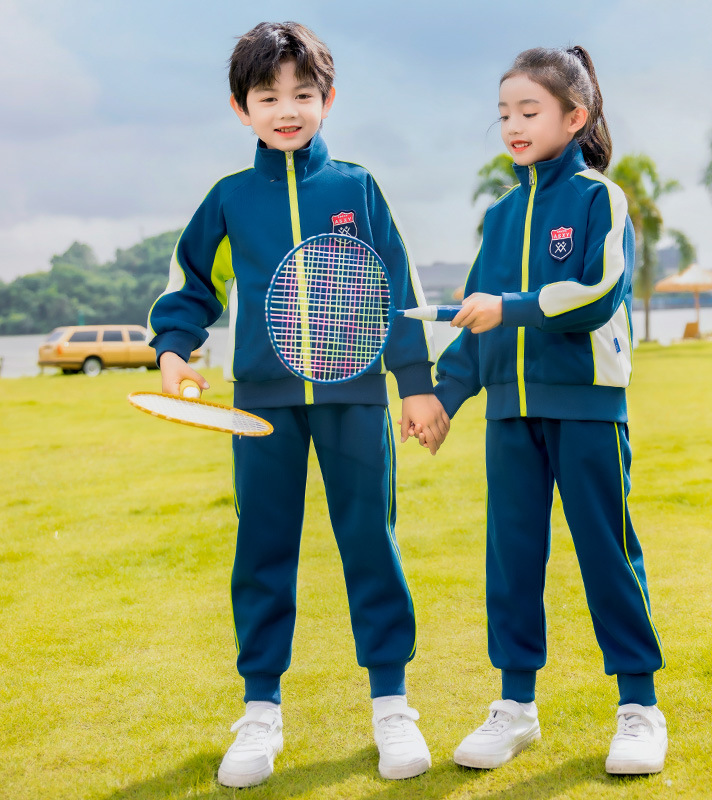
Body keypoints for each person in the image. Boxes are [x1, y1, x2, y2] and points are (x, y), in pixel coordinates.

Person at [148, 21, 449, 788]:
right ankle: (259, 713)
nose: (288, 109)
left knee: (370, 544)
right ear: (239, 108)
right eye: (268, 96)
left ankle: (392, 705)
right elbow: (192, 287)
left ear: (329, 99)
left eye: (303, 95)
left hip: (356, 402)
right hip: (264, 407)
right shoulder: (229, 201)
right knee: (263, 551)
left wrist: (414, 384)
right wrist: (174, 353)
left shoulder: (356, 188)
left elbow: (398, 292)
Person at [425, 46, 667, 776]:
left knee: (606, 554)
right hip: (510, 418)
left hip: (587, 408)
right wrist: (443, 395)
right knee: (512, 560)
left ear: (575, 116)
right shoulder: (499, 217)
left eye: (529, 110)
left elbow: (600, 294)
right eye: (504, 112)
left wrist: (516, 307)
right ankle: (516, 708)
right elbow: (476, 319)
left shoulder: (600, 199)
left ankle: (639, 707)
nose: (513, 124)